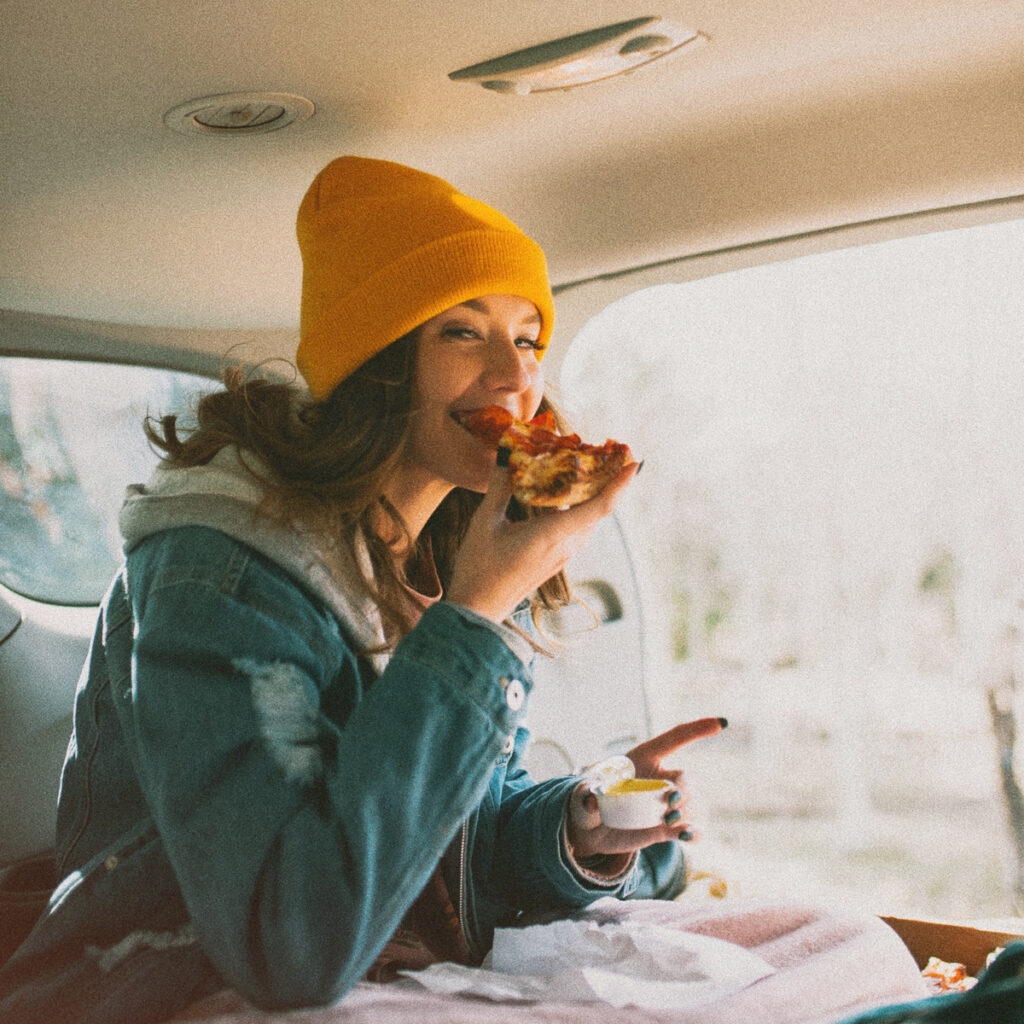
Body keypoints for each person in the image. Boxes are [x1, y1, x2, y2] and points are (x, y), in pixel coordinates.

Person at [0, 157, 714, 1024]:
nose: (514, 376)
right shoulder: (216, 569)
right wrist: (474, 619)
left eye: (527, 339)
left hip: (395, 974)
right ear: (376, 362)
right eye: (462, 332)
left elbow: (443, 840)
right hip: (166, 983)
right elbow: (289, 946)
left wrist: (578, 828)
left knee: (822, 941)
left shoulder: (443, 556)